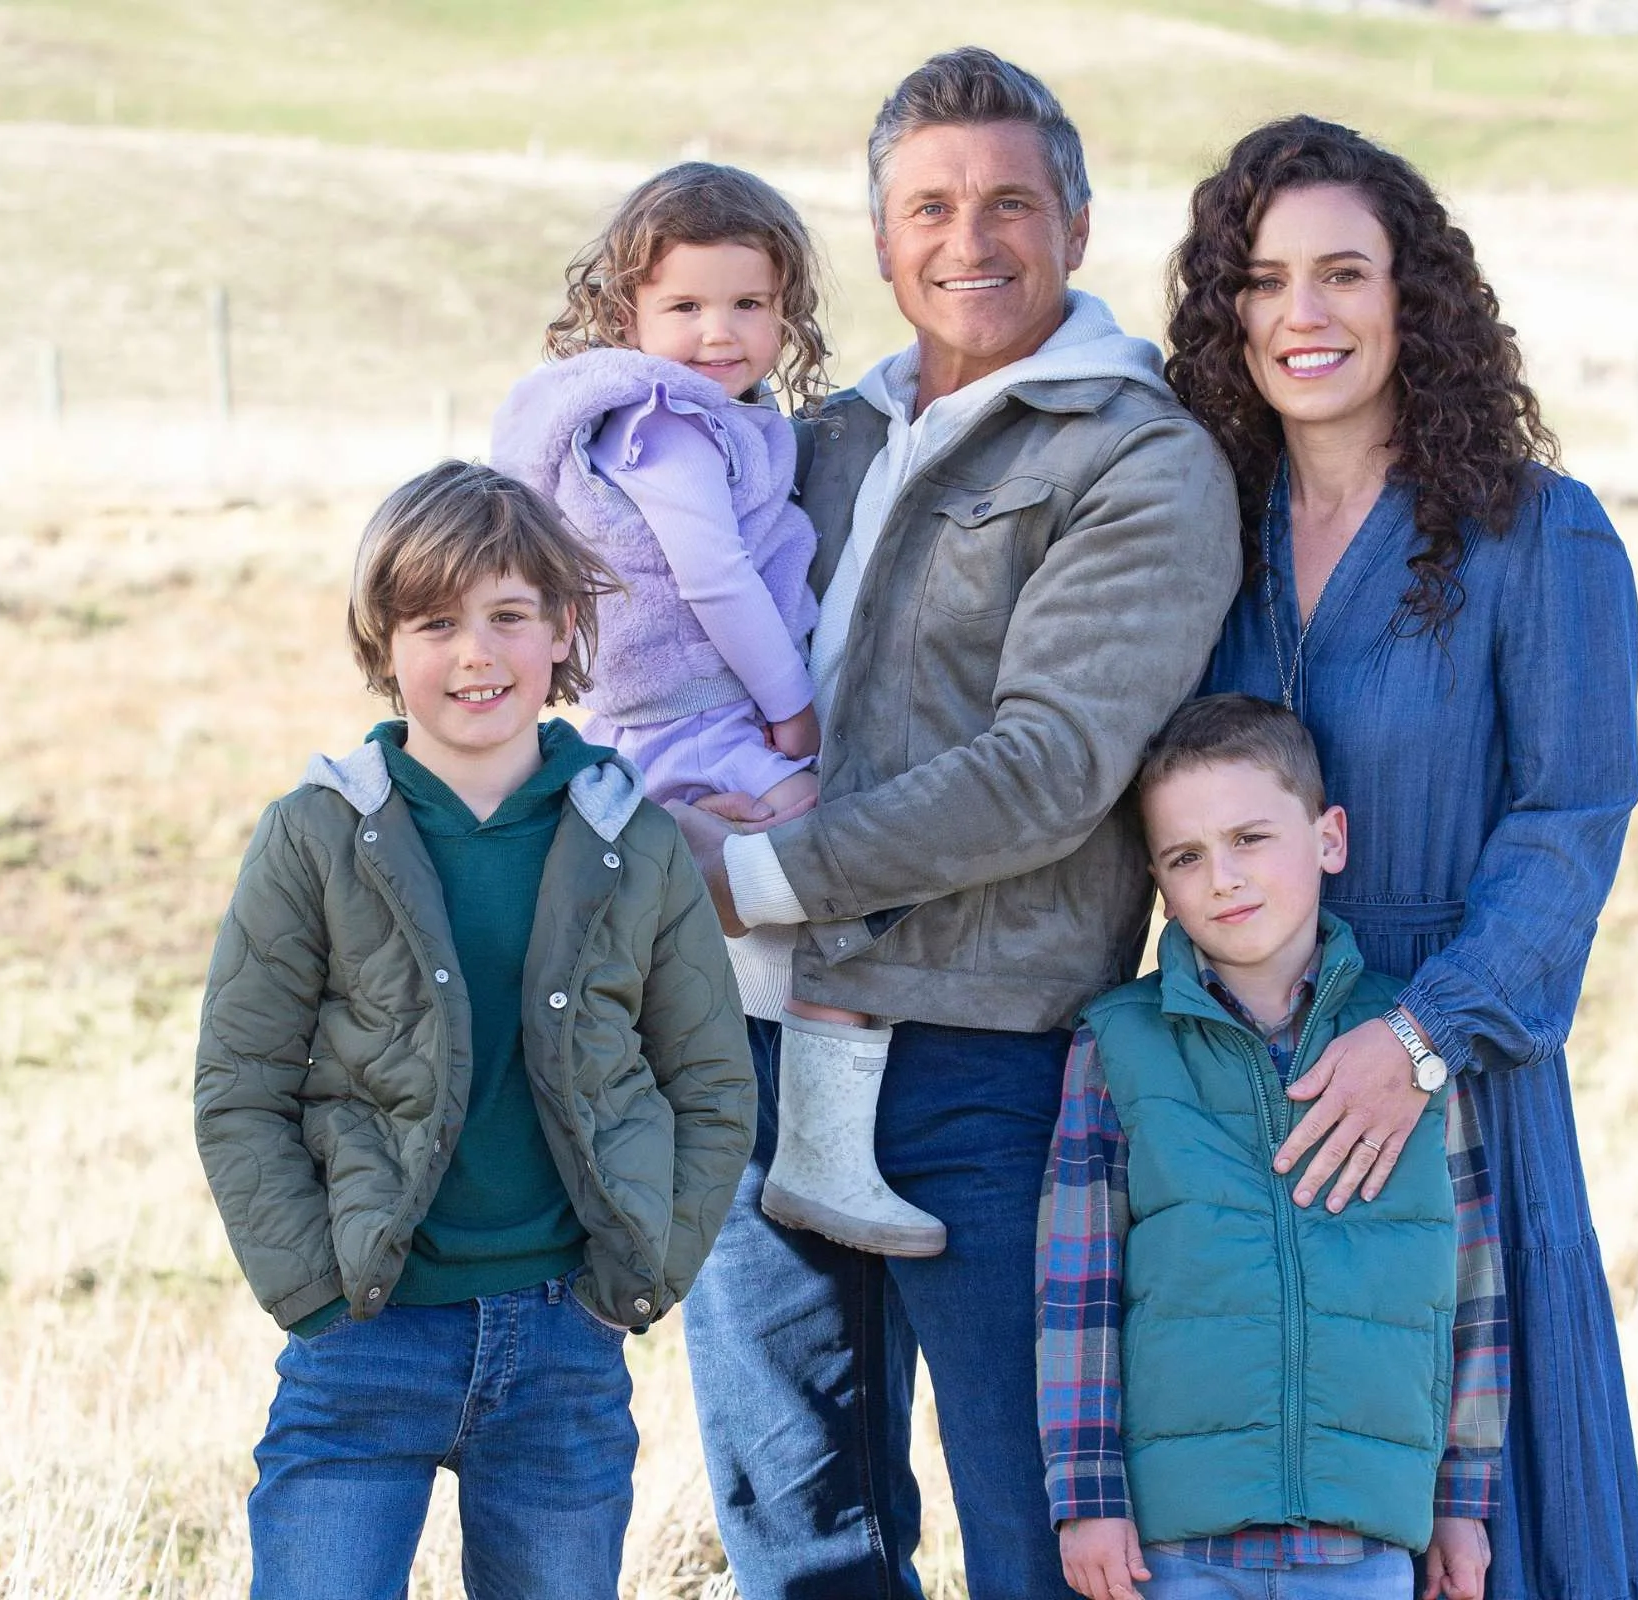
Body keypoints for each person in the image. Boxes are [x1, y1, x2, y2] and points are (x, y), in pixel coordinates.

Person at [669, 48, 1243, 1600]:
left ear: (1074, 221)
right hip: (745, 1047)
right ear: (877, 236)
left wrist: (758, 874)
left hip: (981, 1064)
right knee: (799, 1532)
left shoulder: (1132, 454)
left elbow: (1052, 763)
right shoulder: (819, 439)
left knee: (1035, 1535)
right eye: (928, 205)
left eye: (1007, 201)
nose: (966, 238)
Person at [1167, 116, 1638, 1600]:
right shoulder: (1207, 534)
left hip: (1457, 1072)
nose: (1301, 315)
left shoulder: (1536, 537)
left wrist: (1420, 1038)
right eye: (1262, 280)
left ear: (1414, 298)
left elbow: (1571, 823)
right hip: (1243, 1078)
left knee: (1484, 1522)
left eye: (1343, 274)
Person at [192, 461, 756, 1599]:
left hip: (563, 1341)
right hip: (367, 1333)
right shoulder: (317, 834)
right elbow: (240, 1082)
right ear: (385, 642)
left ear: (562, 631)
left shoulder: (631, 835)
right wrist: (311, 1286)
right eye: (436, 621)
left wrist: (639, 1271)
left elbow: (711, 1082)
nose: (474, 654)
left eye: (508, 616)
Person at [490, 164, 943, 1257]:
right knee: (842, 853)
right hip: (686, 717)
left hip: (681, 715)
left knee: (761, 891)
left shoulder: (724, 419)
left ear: (786, 311)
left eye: (748, 304)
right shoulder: (666, 425)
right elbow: (715, 578)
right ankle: (820, 1151)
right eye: (684, 307)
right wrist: (794, 713)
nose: (718, 334)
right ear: (628, 313)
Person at [1037, 695, 1506, 1600]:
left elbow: (1471, 1280)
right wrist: (1089, 1495)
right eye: (1187, 856)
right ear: (1157, 883)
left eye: (1251, 838)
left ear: (1329, 838)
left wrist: (1463, 1497)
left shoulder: (1408, 1045)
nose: (1222, 878)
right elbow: (1077, 1290)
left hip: (1363, 1541)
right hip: (1177, 1546)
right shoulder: (1119, 1045)